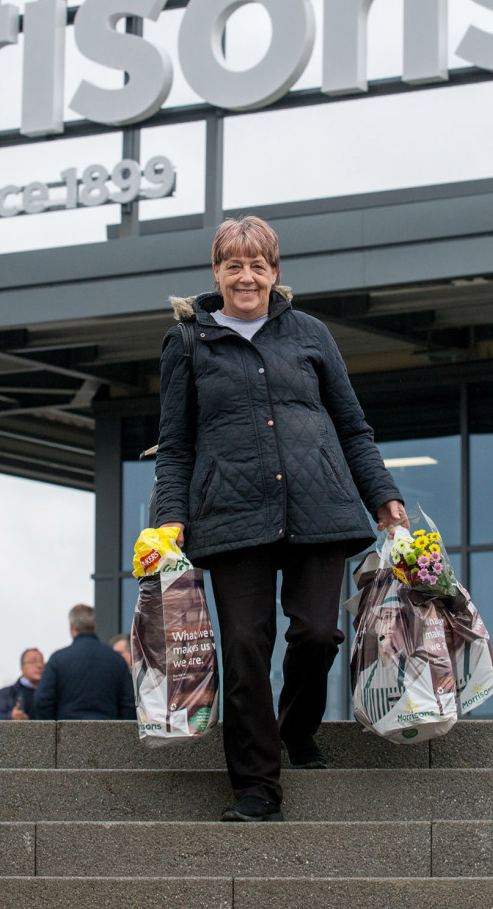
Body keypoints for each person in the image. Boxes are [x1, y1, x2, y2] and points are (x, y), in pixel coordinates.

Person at [154, 215, 407, 823]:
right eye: (234, 265)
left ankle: (296, 728)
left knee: (318, 632)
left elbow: (352, 427)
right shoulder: (188, 341)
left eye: (258, 264)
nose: (247, 277)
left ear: (275, 271)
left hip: (319, 505)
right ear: (215, 272)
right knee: (245, 644)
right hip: (232, 513)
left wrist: (386, 500)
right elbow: (176, 442)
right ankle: (257, 788)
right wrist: (171, 519)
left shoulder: (311, 334)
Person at [34, 604, 135, 721]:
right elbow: (129, 703)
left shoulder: (58, 659)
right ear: (94, 626)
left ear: (72, 627)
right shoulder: (117, 660)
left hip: (66, 732)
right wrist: (117, 730)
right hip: (107, 733)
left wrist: (54, 731)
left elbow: (42, 700)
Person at [0, 648, 44, 721]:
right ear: (22, 667)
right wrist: (10, 717)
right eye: (33, 661)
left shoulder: (51, 693)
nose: (39, 665)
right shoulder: (7, 693)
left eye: (41, 662)